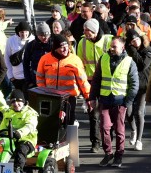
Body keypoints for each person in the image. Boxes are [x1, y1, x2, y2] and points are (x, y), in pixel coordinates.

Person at [89, 36, 139, 168]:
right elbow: (96, 79)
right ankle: (108, 153)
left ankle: (119, 155)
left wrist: (127, 102)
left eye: (114, 47)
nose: (111, 48)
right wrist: (92, 97)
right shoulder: (104, 58)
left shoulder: (129, 62)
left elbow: (134, 84)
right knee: (104, 127)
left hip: (120, 101)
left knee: (119, 130)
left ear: (122, 47)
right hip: (105, 100)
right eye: (111, 46)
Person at [76, 18, 114, 153]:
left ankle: (109, 137)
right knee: (93, 113)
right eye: (85, 31)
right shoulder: (82, 43)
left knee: (108, 112)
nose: (86, 34)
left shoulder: (108, 40)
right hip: (91, 82)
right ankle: (96, 142)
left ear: (96, 31)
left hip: (107, 81)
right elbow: (79, 63)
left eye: (89, 31)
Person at [37, 34, 91, 125]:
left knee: (68, 123)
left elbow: (83, 81)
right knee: (52, 124)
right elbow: (40, 78)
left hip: (69, 98)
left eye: (66, 46)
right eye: (62, 47)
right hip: (51, 98)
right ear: (55, 49)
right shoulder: (45, 59)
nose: (65, 49)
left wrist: (88, 97)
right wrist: (44, 93)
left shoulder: (75, 60)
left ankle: (68, 139)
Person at [0, 89, 38, 173]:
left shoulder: (30, 113)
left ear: (23, 101)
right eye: (13, 102)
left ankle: (17, 169)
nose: (16, 104)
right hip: (10, 139)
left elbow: (30, 126)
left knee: (21, 149)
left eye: (19, 101)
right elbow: (3, 126)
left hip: (27, 140)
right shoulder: (8, 113)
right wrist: (1, 136)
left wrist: (19, 133)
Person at [124, 29, 151, 151]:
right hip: (129, 84)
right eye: (132, 41)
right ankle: (134, 130)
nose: (135, 42)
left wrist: (132, 50)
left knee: (139, 112)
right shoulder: (128, 51)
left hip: (143, 86)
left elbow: (142, 65)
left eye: (136, 39)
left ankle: (139, 140)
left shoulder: (148, 51)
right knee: (128, 112)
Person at [5, 21, 35, 91]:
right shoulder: (10, 40)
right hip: (17, 77)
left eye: (26, 32)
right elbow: (6, 58)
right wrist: (11, 76)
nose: (24, 34)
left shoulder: (34, 40)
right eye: (21, 32)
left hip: (30, 77)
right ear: (18, 32)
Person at [23, 22, 52, 90]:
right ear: (37, 35)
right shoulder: (31, 46)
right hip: (35, 80)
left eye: (47, 35)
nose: (44, 38)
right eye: (42, 35)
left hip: (50, 80)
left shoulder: (53, 45)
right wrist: (29, 81)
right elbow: (25, 64)